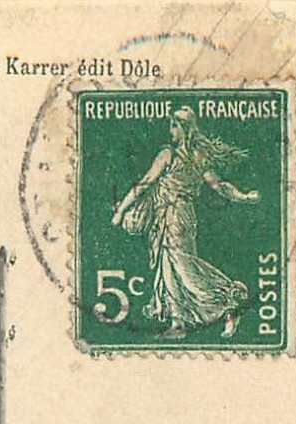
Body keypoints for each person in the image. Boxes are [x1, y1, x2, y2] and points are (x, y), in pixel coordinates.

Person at [111, 105, 259, 339]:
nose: (171, 130)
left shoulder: (168, 155)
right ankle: (178, 323)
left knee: (182, 266)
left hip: (174, 217)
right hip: (179, 216)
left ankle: (228, 300)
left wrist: (121, 210)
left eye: (174, 125)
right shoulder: (198, 157)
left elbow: (145, 183)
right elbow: (219, 186)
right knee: (170, 267)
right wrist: (242, 196)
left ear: (184, 128)